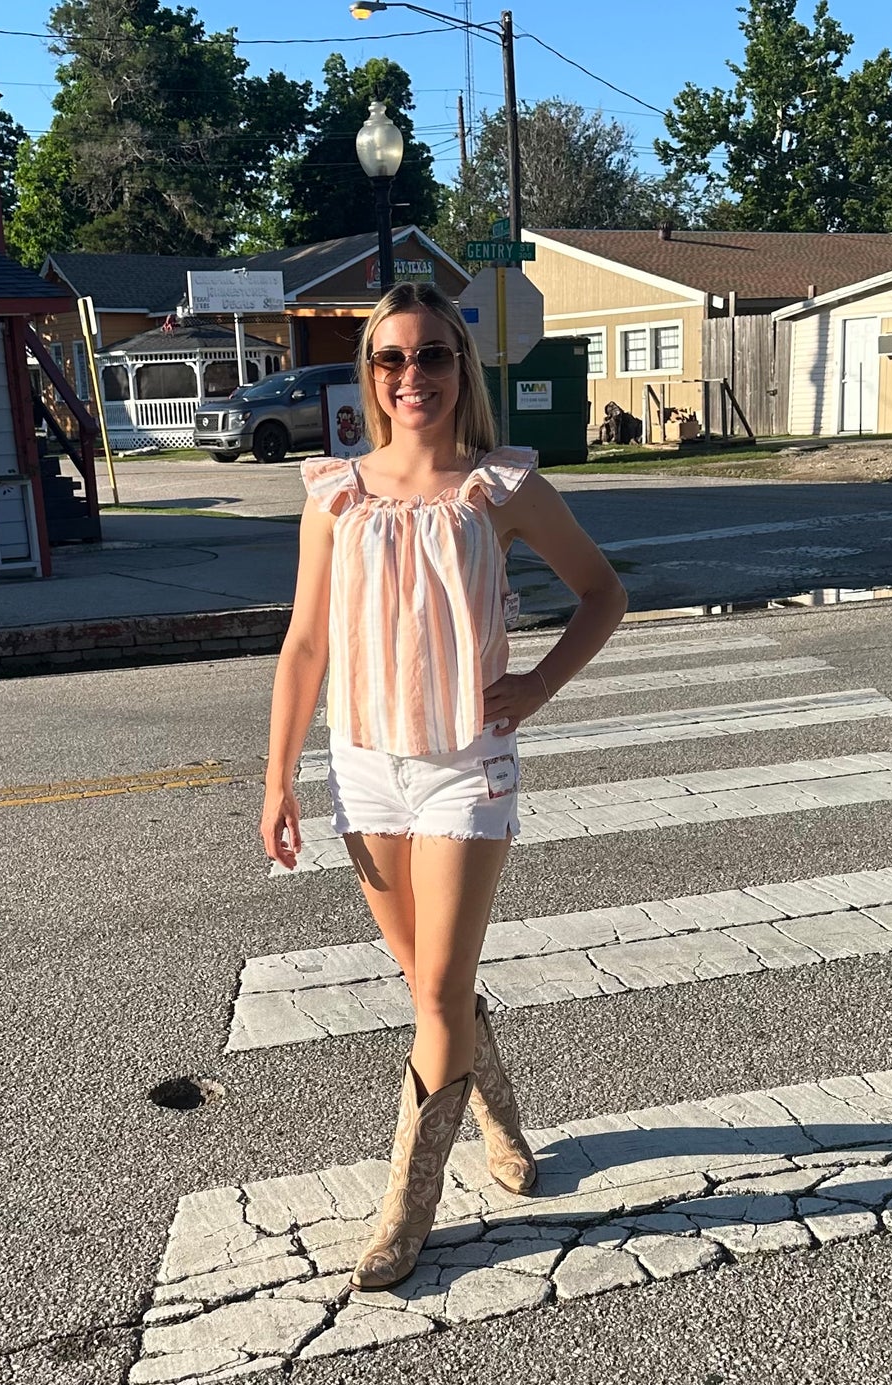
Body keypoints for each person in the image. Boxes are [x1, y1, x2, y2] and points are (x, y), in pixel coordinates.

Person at [260, 282, 626, 1291]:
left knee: (430, 988)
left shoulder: (499, 488)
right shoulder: (334, 492)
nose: (410, 375)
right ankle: (501, 1121)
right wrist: (277, 779)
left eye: (430, 355)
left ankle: (403, 1211)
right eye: (389, 358)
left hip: (467, 766)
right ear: (367, 375)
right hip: (366, 768)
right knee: (435, 978)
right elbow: (302, 645)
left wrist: (540, 682)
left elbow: (602, 591)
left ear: (461, 367)